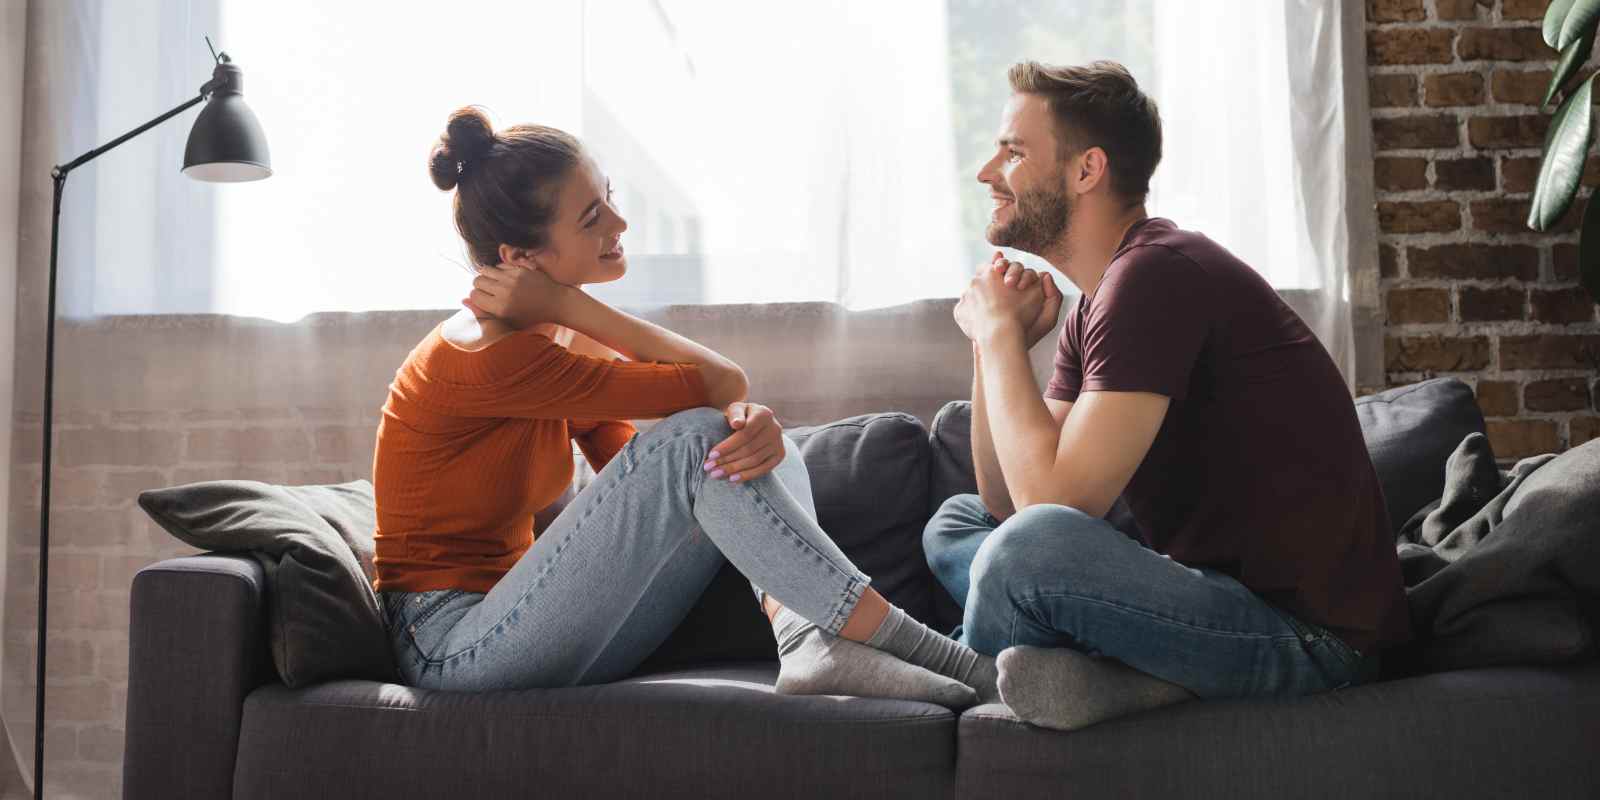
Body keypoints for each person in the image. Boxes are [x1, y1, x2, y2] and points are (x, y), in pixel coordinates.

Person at [370, 106, 998, 709]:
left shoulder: (550, 344)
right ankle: (963, 666)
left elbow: (654, 463)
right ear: (520, 260)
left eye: (610, 196)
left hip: (524, 619)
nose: (620, 223)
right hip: (450, 647)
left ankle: (808, 642)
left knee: (744, 436)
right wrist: (572, 305)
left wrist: (742, 438)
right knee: (706, 432)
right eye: (592, 218)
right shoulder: (492, 357)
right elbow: (721, 380)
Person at [922, 61, 1412, 731]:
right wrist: (989, 344)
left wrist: (1003, 335)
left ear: (1086, 170)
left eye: (1012, 151)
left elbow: (1051, 512)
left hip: (1312, 642)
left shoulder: (1156, 274)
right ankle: (1119, 677)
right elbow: (1006, 501)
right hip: (1212, 603)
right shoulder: (1100, 302)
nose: (986, 171)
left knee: (1024, 555)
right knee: (958, 521)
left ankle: (956, 669)